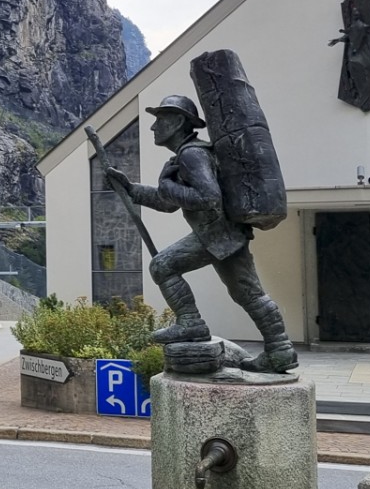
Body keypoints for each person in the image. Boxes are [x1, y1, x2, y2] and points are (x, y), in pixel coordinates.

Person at [105, 94, 297, 373]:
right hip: (226, 234)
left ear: (178, 121)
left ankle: (190, 322)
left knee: (163, 265)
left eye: (160, 119)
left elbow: (208, 198)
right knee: (248, 294)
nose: (153, 127)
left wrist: (165, 183)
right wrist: (132, 189)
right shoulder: (188, 154)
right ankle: (280, 350)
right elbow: (168, 202)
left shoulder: (191, 154)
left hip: (216, 234)